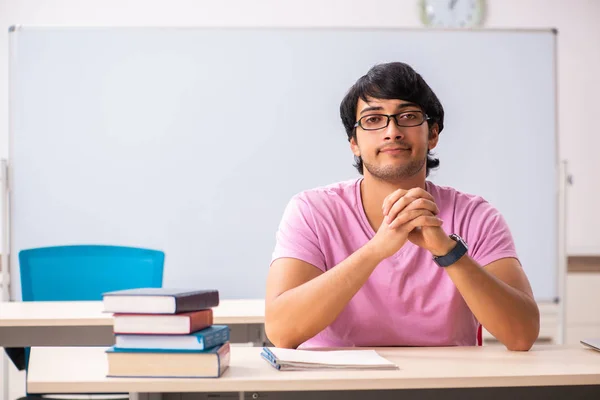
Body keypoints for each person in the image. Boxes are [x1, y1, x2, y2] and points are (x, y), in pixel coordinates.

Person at [265, 62, 540, 351]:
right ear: (354, 143)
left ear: (432, 134)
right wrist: (376, 249)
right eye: (373, 120)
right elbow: (281, 331)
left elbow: (521, 335)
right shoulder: (311, 211)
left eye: (408, 116)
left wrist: (447, 251)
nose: (392, 131)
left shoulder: (476, 216)